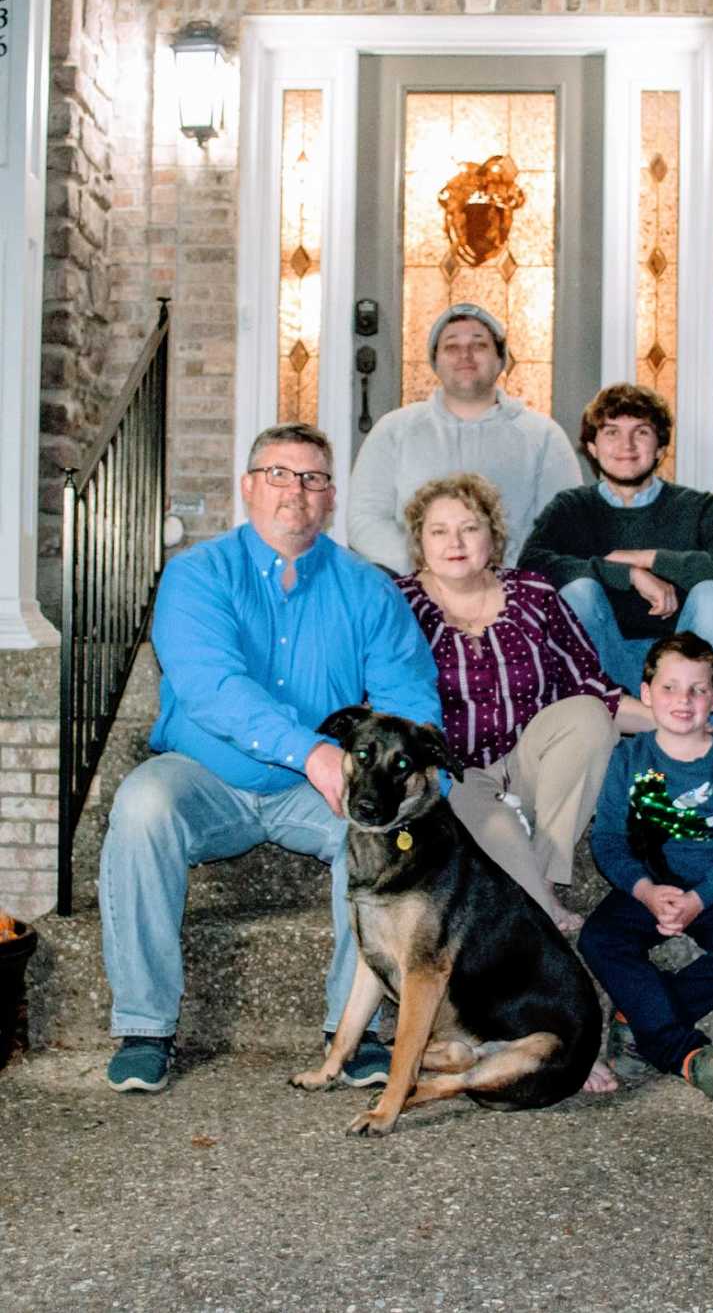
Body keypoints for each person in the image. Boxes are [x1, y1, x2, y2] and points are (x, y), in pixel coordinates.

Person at [100, 423, 442, 1094]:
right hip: (207, 774)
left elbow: (407, 694)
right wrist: (313, 749)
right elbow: (212, 688)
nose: (296, 491)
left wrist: (415, 782)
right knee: (141, 805)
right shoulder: (196, 575)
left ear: (331, 498)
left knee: (380, 833)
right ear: (248, 487)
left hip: (316, 791)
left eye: (313, 478)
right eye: (280, 474)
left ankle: (357, 1028)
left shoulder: (368, 588)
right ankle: (143, 1026)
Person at [397, 472, 656, 939]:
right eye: (439, 531)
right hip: (454, 772)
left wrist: (670, 724)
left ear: (493, 536)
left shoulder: (534, 595)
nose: (455, 541)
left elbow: (594, 687)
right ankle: (542, 901)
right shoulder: (399, 604)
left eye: (470, 527)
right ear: (420, 542)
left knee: (588, 716)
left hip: (529, 763)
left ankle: (534, 877)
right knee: (486, 818)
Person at [577, 632, 713, 1101]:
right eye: (669, 687)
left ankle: (640, 1017)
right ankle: (681, 1050)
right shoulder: (629, 758)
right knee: (599, 939)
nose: (682, 700)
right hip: (652, 883)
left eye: (697, 689)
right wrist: (645, 890)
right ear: (646, 694)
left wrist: (700, 899)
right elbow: (608, 839)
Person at [518, 382, 713, 722]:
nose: (626, 445)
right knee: (577, 592)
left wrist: (650, 559)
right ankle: (594, 728)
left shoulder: (698, 508)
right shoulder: (571, 508)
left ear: (661, 447)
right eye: (611, 432)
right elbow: (530, 570)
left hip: (681, 668)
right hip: (605, 662)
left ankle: (693, 738)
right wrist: (626, 574)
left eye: (641, 432)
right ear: (592, 446)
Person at [347, 302, 582, 575]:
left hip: (513, 591)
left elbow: (562, 526)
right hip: (414, 588)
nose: (465, 355)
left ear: (500, 359)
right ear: (435, 362)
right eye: (451, 346)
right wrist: (425, 566)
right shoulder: (394, 431)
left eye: (479, 345)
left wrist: (500, 575)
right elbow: (364, 518)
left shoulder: (543, 436)